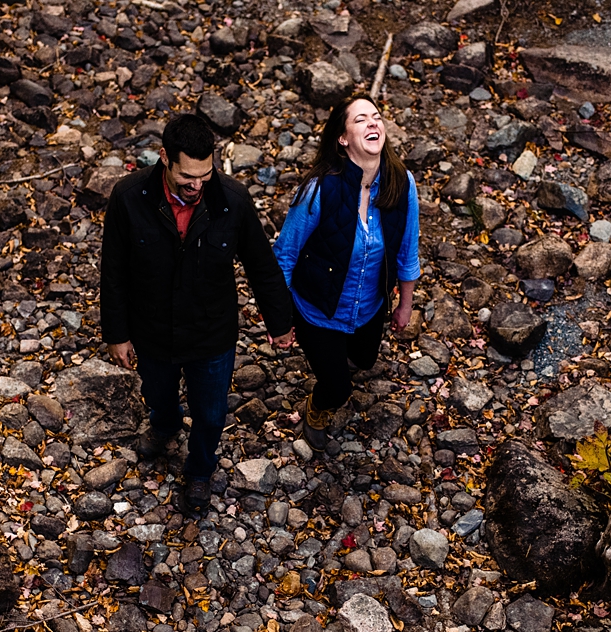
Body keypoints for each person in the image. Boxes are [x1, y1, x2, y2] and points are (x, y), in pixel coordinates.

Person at [101, 113, 295, 511]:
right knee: (158, 395)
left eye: (204, 176)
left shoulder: (232, 200)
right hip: (152, 330)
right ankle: (165, 425)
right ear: (165, 159)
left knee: (210, 414)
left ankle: (200, 471)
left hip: (212, 333)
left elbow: (261, 265)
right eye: (187, 177)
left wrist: (280, 322)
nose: (196, 186)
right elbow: (114, 270)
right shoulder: (128, 196)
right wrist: (116, 334)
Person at [273, 95, 421, 451]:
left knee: (366, 359)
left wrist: (405, 304)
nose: (373, 123)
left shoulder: (402, 184)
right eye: (360, 120)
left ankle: (340, 360)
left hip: (369, 306)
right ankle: (316, 409)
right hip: (317, 309)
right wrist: (280, 319)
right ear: (343, 138)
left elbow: (407, 250)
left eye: (377, 117)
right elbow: (284, 255)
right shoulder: (319, 189)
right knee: (338, 387)